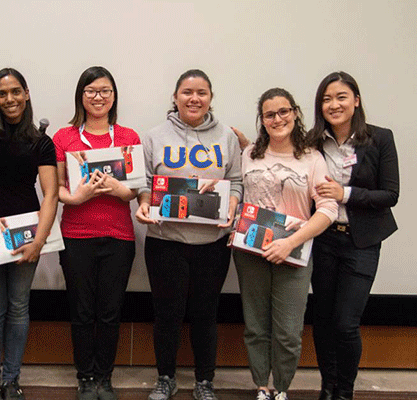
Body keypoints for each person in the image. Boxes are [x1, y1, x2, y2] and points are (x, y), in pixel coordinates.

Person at [135, 69, 242, 400]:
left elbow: (236, 181)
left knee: (205, 314)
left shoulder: (228, 137)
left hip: (212, 244)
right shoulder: (153, 136)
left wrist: (232, 208)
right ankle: (165, 378)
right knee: (167, 314)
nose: (194, 98)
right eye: (187, 92)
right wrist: (143, 204)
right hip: (166, 241)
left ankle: (204, 381)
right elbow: (146, 183)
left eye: (202, 92)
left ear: (211, 97)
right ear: (175, 96)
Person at [232, 88, 338, 400]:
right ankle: (261, 387)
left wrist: (289, 242)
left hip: (294, 252)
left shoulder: (312, 158)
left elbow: (328, 210)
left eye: (283, 112)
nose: (278, 119)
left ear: (294, 113)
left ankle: (281, 388)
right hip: (250, 253)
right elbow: (240, 196)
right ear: (261, 120)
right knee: (255, 327)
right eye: (269, 114)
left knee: (288, 332)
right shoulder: (250, 154)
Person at [0, 68, 59, 400]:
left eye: (15, 91)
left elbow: (51, 194)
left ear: (27, 94)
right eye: (2, 94)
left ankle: (12, 381)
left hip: (25, 236)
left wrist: (40, 239)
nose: (10, 99)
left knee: (18, 306)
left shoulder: (41, 142)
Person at [307, 72, 399, 400]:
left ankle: (344, 391)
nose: (334, 104)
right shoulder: (311, 142)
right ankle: (327, 387)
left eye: (341, 97)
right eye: (327, 99)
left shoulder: (380, 138)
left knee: (346, 324)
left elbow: (390, 195)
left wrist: (344, 193)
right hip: (323, 240)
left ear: (356, 100)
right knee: (322, 318)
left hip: (361, 242)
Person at [52, 66, 140, 400]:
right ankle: (85, 378)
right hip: (76, 235)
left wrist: (121, 189)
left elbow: (135, 191)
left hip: (119, 236)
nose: (98, 97)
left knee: (110, 311)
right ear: (81, 96)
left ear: (114, 96)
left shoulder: (129, 137)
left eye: (105, 91)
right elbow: (55, 188)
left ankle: (104, 377)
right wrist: (75, 198)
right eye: (91, 91)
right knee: (82, 311)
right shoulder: (64, 137)